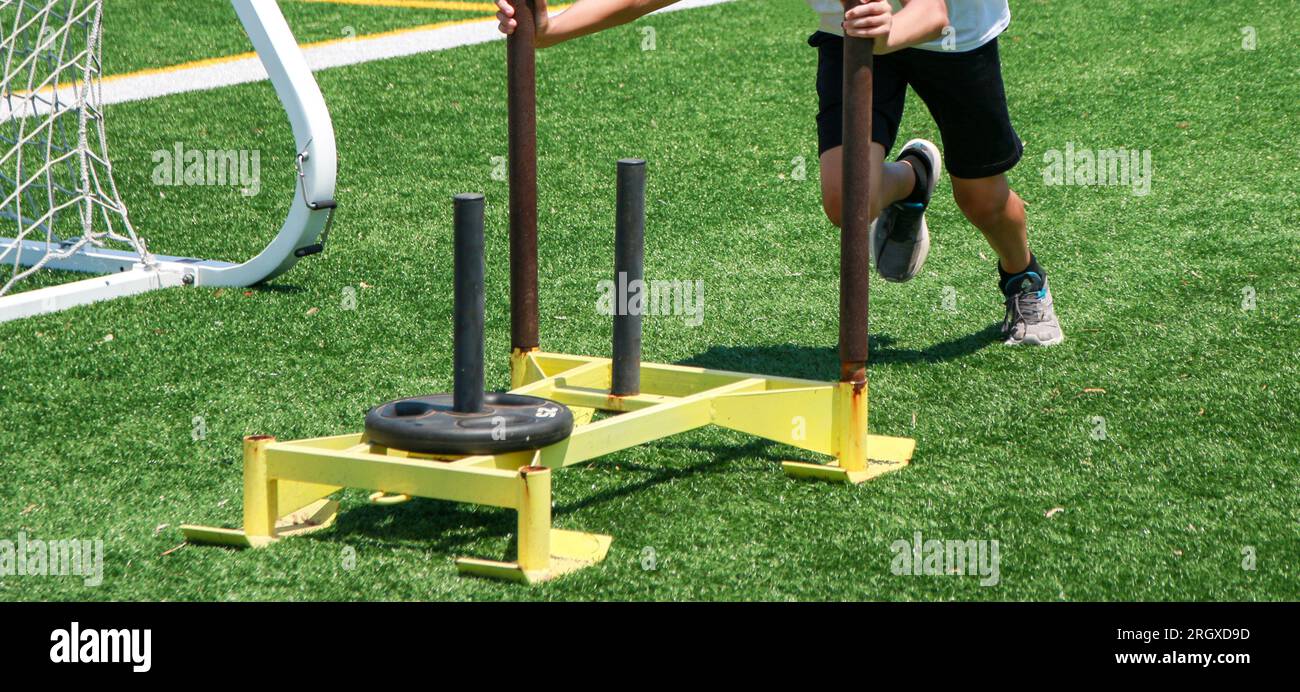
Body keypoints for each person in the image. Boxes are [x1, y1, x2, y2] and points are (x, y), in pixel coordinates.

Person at [496, 0, 1062, 345]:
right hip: (854, 31)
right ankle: (914, 176)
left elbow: (933, 10)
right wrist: (550, 28)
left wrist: (888, 33)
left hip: (950, 35)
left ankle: (1023, 277)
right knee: (846, 202)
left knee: (982, 201)